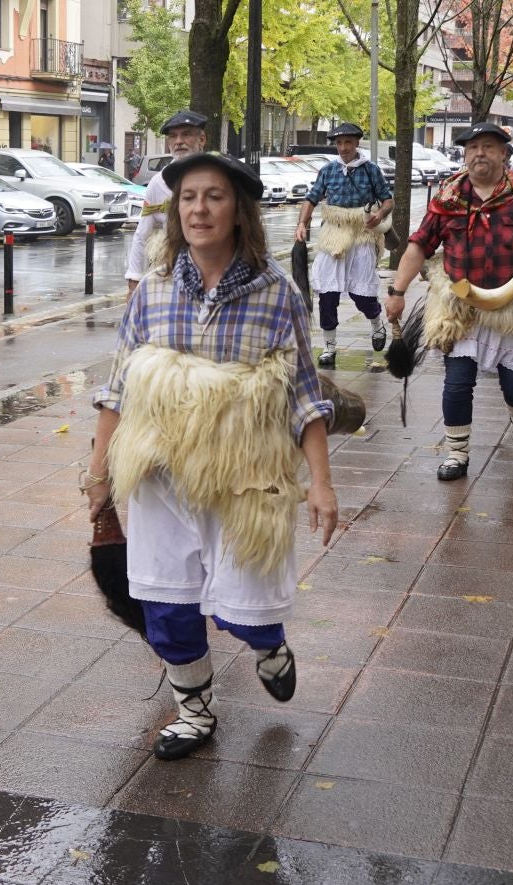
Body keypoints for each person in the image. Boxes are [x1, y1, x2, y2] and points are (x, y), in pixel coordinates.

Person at [86, 152, 338, 761]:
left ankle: (268, 645)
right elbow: (117, 389)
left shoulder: (277, 294)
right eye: (188, 197)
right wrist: (97, 475)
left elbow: (305, 395)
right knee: (166, 604)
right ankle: (194, 713)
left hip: (244, 478)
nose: (199, 209)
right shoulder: (153, 288)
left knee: (243, 611)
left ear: (239, 211)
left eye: (214, 197)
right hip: (162, 478)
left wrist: (321, 483)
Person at [384, 122, 513, 481]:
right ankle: (457, 454)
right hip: (460, 308)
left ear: (504, 153)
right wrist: (397, 292)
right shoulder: (448, 196)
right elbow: (419, 245)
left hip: (512, 306)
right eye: (472, 147)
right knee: (457, 383)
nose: (479, 153)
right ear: (465, 154)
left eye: (488, 146)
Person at [293, 122, 393, 368]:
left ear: (357, 143)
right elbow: (311, 199)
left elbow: (387, 200)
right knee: (327, 294)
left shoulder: (371, 170)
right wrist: (302, 224)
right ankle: (329, 347)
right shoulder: (328, 170)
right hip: (334, 233)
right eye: (339, 143)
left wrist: (379, 216)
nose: (343, 147)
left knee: (361, 295)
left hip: (362, 234)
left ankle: (376, 322)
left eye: (348, 142)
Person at [125, 109, 208, 297]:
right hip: (174, 276)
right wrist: (134, 280)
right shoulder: (158, 183)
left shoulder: (219, 176)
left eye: (186, 134)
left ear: (201, 139)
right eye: (173, 136)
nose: (178, 141)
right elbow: (142, 233)